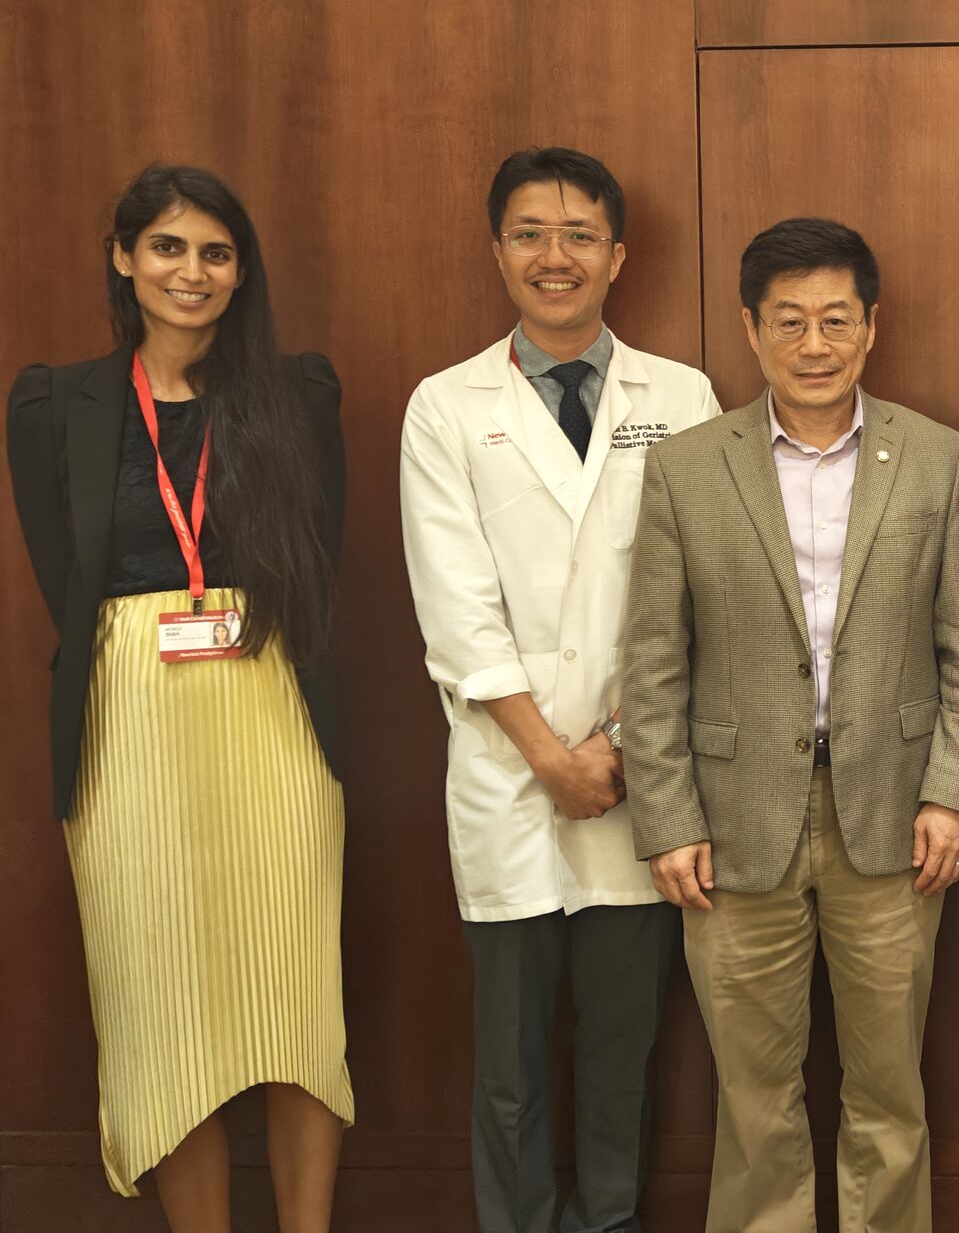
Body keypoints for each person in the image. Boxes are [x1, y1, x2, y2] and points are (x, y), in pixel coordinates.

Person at [621, 217, 959, 1233]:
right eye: (790, 322)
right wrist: (664, 819)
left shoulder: (939, 460)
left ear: (871, 328)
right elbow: (653, 660)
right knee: (752, 1103)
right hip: (732, 825)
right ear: (751, 331)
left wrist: (953, 794)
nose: (815, 344)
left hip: (892, 821)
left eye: (836, 319)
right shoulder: (688, 468)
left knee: (888, 1096)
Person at [7, 164, 352, 1231]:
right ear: (123, 257)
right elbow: (64, 573)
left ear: (240, 273)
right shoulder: (52, 401)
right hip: (128, 722)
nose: (190, 272)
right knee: (161, 1010)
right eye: (167, 247)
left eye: (214, 252)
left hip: (271, 715)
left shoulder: (298, 396)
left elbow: (320, 561)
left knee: (295, 1000)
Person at [398, 147, 719, 1233]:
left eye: (579, 234)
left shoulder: (680, 396)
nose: (554, 255)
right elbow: (455, 606)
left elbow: (696, 592)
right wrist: (549, 754)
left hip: (639, 771)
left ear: (618, 256)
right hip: (511, 772)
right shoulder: (446, 408)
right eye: (530, 233)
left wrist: (622, 745)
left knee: (622, 1052)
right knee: (510, 1064)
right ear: (497, 251)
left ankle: (612, 1220)